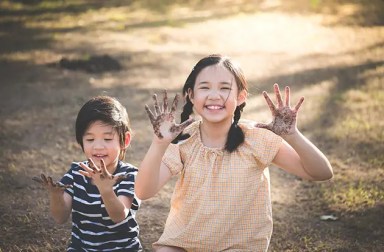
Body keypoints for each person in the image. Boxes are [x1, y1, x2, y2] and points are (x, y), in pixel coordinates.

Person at [135, 54, 333, 252]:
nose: (214, 95)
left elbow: (321, 172)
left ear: (240, 97)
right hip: (183, 243)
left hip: (238, 246)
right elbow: (144, 191)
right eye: (204, 87)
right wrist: (159, 144)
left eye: (224, 88)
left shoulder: (256, 138)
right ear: (191, 95)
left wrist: (293, 136)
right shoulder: (184, 140)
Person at [33, 96, 142, 251]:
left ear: (125, 140)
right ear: (81, 141)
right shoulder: (77, 173)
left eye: (107, 138)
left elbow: (119, 216)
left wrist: (106, 190)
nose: (98, 146)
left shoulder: (128, 175)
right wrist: (56, 196)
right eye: (90, 139)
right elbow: (60, 218)